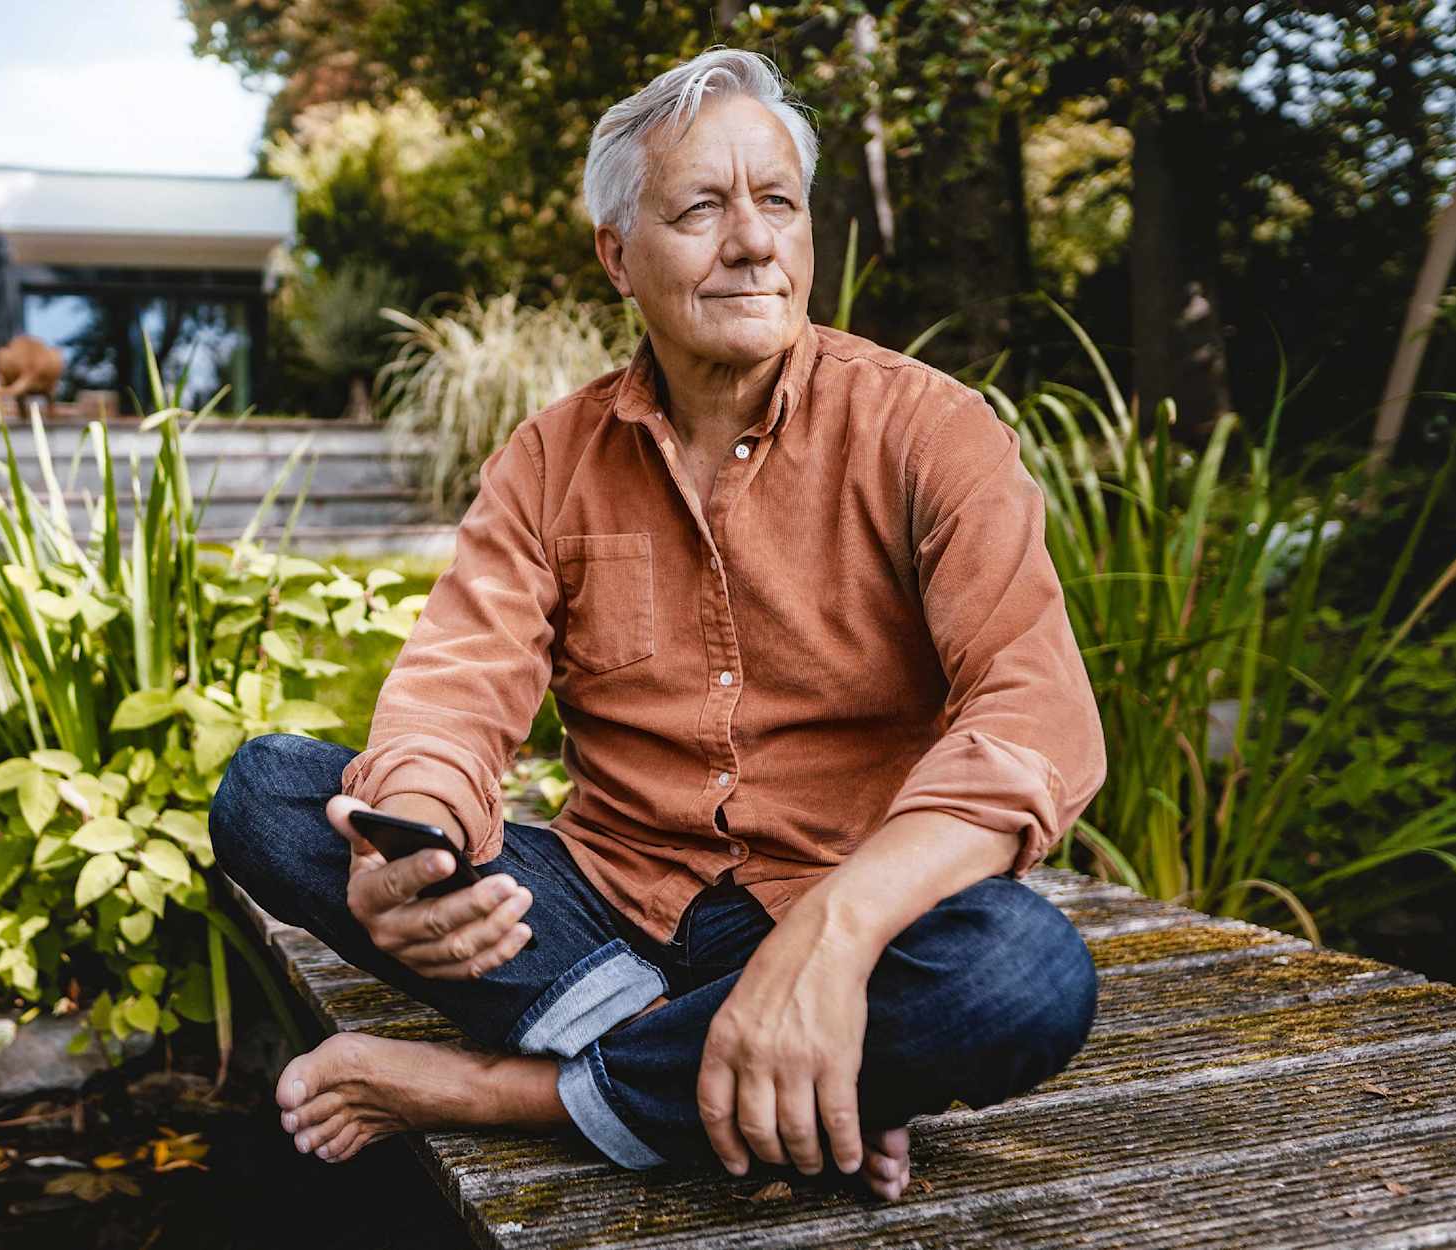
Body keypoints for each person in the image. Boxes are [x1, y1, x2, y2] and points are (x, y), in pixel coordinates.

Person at [205, 47, 1107, 1202]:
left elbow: (1035, 722)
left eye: (778, 202)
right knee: (268, 790)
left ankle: (509, 1089)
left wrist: (828, 942)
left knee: (1020, 970)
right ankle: (747, 1083)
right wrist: (413, 846)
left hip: (830, 899)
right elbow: (455, 686)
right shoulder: (550, 457)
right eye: (700, 209)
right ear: (616, 253)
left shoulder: (928, 431)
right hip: (599, 905)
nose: (754, 242)